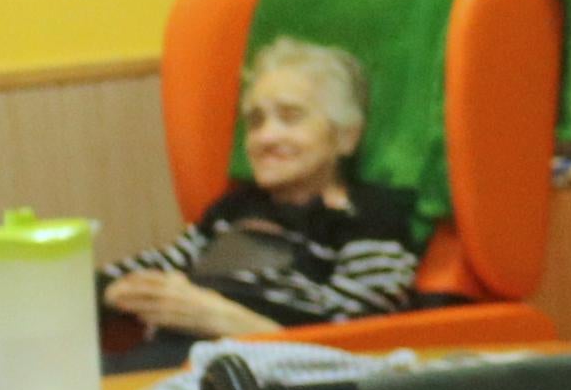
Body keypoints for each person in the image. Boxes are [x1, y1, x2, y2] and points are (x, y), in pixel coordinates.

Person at [98, 37, 420, 359]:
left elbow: (352, 344)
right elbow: (149, 268)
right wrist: (117, 291)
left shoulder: (370, 218)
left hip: (267, 380)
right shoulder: (235, 209)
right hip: (168, 359)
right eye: (255, 121)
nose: (266, 137)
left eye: (291, 117)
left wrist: (219, 317)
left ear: (345, 136)